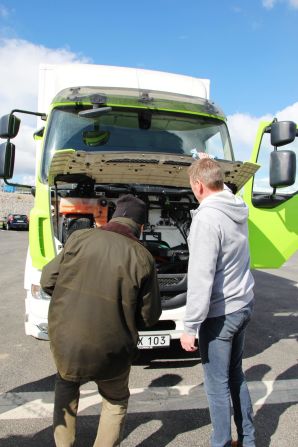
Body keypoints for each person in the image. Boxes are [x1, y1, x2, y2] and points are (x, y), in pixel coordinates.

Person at [41, 194, 161, 447]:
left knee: (66, 386)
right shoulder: (143, 256)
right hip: (113, 349)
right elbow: (149, 316)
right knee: (115, 401)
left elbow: (48, 281)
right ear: (140, 226)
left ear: (113, 216)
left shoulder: (79, 238)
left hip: (68, 341)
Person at [180, 158, 255, 447]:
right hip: (243, 304)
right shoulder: (236, 207)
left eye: (192, 186)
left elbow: (201, 277)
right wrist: (205, 161)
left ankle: (221, 443)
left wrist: (190, 325)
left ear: (199, 185)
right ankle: (248, 440)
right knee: (236, 375)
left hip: (221, 314)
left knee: (216, 386)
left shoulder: (207, 219)